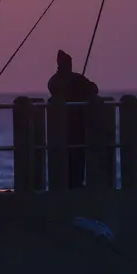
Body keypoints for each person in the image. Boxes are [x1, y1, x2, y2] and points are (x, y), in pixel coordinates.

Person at [48, 49, 99, 189]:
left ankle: (69, 182)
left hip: (63, 126)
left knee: (71, 155)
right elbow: (94, 89)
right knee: (76, 155)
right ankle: (75, 183)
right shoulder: (75, 79)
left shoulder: (56, 80)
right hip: (74, 124)